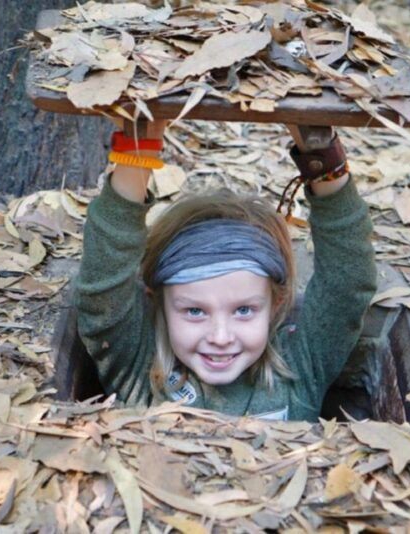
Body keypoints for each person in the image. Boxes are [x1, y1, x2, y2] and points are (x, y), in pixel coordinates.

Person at [75, 120, 376, 422]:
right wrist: (136, 150)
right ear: (158, 303)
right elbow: (103, 291)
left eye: (244, 310)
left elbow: (346, 286)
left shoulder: (300, 367)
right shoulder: (140, 369)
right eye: (194, 311)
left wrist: (321, 155)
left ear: (277, 304)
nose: (220, 337)